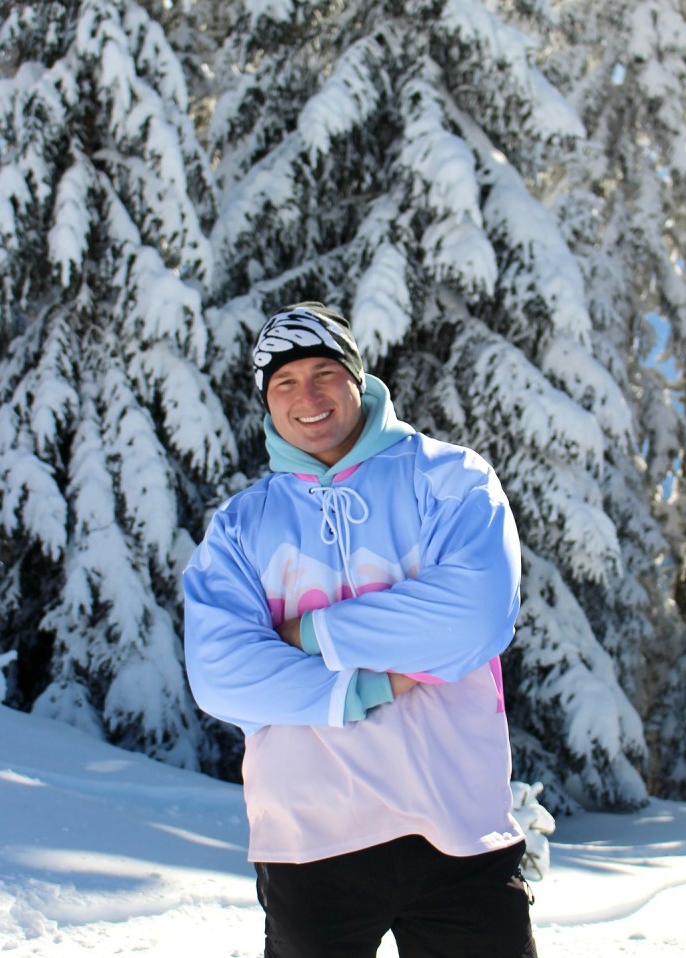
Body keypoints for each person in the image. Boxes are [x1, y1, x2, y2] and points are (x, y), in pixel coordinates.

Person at [183, 302, 538, 958]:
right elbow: (221, 671)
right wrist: (368, 687)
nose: (308, 396)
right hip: (308, 843)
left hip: (457, 833)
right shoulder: (242, 526)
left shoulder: (449, 480)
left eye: (324, 373)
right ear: (266, 402)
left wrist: (307, 634)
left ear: (357, 378)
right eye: (284, 383)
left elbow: (475, 615)